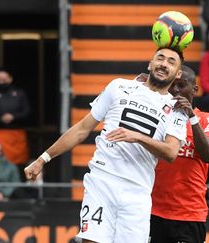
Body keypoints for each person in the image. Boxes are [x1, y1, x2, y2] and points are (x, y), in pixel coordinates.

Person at [25, 47, 188, 243]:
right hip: (102, 180)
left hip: (138, 191)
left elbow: (171, 152)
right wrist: (43, 158)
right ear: (150, 63)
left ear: (178, 74)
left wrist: (137, 137)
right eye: (160, 58)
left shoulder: (177, 109)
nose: (163, 64)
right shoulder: (118, 86)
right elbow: (81, 129)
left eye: (171, 62)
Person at [150, 65, 209, 243]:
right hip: (153, 210)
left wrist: (191, 117)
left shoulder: (208, 119)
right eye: (172, 85)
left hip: (189, 215)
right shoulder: (157, 117)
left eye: (181, 85)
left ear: (195, 89)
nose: (175, 90)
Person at [0, 68, 31, 171]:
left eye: (4, 79)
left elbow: (27, 112)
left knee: (19, 165)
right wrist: (0, 119)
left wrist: (14, 117)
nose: (2, 82)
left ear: (10, 78)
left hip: (17, 134)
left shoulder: (20, 93)